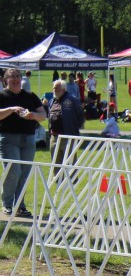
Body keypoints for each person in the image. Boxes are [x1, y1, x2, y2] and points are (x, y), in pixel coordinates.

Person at [0, 67, 46, 217]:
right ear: (5, 80)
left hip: (28, 139)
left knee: (24, 173)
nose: (15, 79)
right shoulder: (2, 95)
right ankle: (7, 204)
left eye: (18, 76)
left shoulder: (30, 96)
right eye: (12, 76)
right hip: (8, 139)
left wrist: (32, 115)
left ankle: (20, 205)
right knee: (14, 171)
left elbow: (43, 115)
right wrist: (11, 109)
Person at [48, 79, 84, 174]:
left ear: (63, 89)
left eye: (56, 88)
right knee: (55, 164)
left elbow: (80, 116)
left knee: (70, 163)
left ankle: (73, 180)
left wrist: (73, 128)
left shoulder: (72, 100)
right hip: (54, 137)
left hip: (68, 136)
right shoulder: (52, 101)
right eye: (53, 88)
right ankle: (57, 181)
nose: (54, 90)